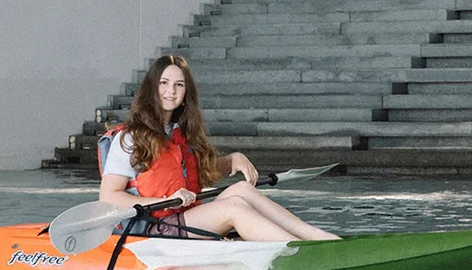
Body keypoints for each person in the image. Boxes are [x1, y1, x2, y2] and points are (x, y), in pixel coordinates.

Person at [98, 53, 340, 242]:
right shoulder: (129, 138)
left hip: (184, 218)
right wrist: (166, 199)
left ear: (186, 91)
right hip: (152, 228)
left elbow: (192, 173)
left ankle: (314, 236)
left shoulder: (180, 132)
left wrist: (232, 159)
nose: (171, 91)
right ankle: (295, 250)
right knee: (232, 208)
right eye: (164, 83)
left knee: (242, 190)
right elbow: (109, 196)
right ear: (152, 87)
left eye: (179, 85)